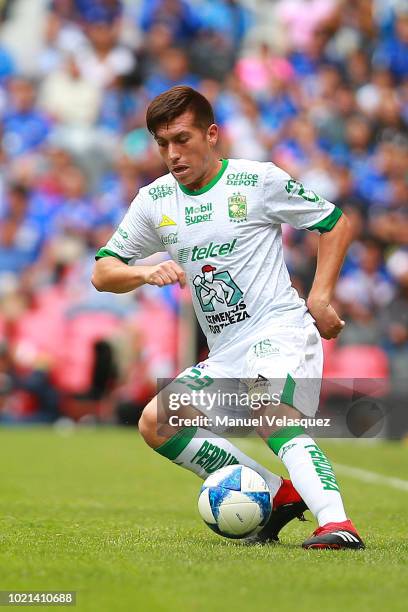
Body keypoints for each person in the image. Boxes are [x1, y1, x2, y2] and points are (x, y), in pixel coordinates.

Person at [92, 85, 364, 550]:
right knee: (156, 423)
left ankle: (338, 523)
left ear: (211, 134)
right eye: (162, 144)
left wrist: (319, 298)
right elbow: (102, 271)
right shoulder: (155, 201)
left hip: (277, 329)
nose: (172, 154)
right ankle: (278, 493)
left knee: (267, 408)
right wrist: (142, 271)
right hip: (226, 350)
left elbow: (334, 222)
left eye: (182, 139)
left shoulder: (256, 181)